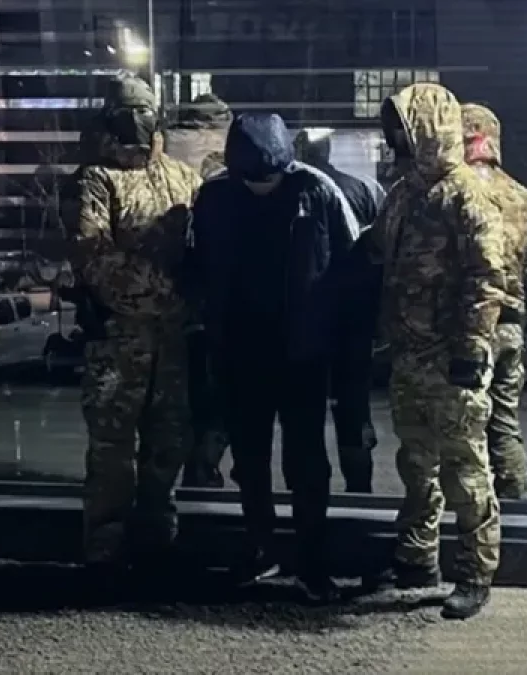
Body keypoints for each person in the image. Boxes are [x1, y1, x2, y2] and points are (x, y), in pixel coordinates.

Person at [188, 112, 359, 600]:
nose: (262, 186)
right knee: (250, 458)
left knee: (307, 460)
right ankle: (260, 546)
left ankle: (312, 559)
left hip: (304, 352)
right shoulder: (215, 196)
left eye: (270, 178)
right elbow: (197, 264)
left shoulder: (317, 190)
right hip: (241, 348)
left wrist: (343, 338)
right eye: (252, 179)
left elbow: (349, 262)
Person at [372, 83, 507, 619]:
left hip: (452, 357)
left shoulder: (466, 195)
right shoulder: (405, 193)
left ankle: (475, 572)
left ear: (427, 131)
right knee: (416, 464)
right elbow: (379, 248)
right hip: (410, 352)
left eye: (402, 130)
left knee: (465, 470)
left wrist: (472, 346)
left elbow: (486, 276)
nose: (394, 141)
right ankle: (416, 558)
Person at [65, 75, 201, 585]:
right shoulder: (94, 181)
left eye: (144, 111)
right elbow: (96, 261)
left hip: (172, 344)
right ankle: (105, 553)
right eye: (126, 113)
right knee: (111, 452)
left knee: (169, 444)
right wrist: (172, 292)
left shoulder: (182, 177)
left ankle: (159, 543)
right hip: (118, 343)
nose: (137, 121)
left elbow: (201, 248)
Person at [295, 128, 386, 494]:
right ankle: (359, 487)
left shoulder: (296, 192)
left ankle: (308, 490)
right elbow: (380, 253)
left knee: (305, 411)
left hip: (305, 321)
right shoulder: (363, 189)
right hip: (354, 320)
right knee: (353, 406)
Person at [462, 103, 527, 499]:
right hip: (510, 323)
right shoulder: (521, 196)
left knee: (464, 429)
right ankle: (515, 502)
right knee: (505, 424)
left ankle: (472, 514)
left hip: (471, 325)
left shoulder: (457, 191)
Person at [163, 93, 232, 488]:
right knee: (216, 392)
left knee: (183, 394)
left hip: (178, 299)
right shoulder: (222, 172)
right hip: (215, 299)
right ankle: (203, 466)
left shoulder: (168, 166)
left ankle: (185, 468)